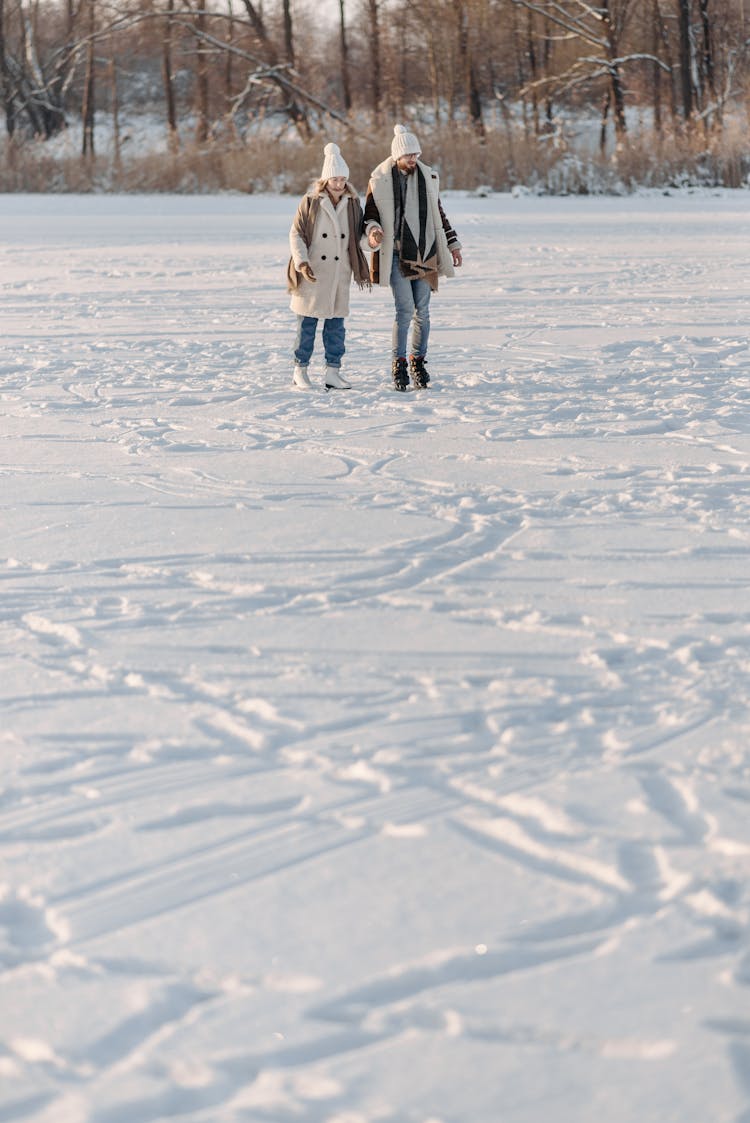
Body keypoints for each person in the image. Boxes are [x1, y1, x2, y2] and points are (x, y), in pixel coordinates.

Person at [364, 123, 463, 391]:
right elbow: (369, 214)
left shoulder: (428, 178)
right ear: (397, 156)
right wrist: (373, 231)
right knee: (405, 310)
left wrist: (453, 244)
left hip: (426, 251)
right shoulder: (379, 180)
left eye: (416, 155)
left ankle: (418, 361)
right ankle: (398, 363)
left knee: (424, 312)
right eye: (409, 155)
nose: (413, 159)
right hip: (396, 254)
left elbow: (438, 214)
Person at [287, 142, 370, 390]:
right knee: (307, 326)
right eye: (335, 179)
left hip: (339, 274)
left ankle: (332, 371)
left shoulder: (353, 203)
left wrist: (373, 240)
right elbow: (296, 234)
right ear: (325, 180)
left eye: (343, 179)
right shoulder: (311, 202)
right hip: (313, 274)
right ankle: (299, 370)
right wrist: (301, 261)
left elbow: (358, 239)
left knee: (335, 329)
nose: (339, 184)